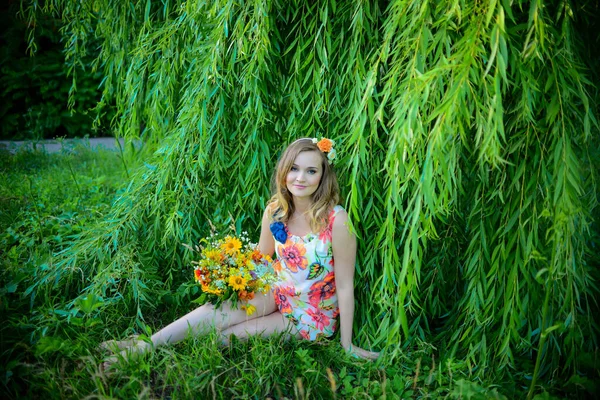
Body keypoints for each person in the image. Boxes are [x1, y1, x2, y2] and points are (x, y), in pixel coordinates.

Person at [102, 138, 379, 367]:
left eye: (311, 171)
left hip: (308, 314)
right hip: (276, 291)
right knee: (217, 313)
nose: (300, 178)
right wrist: (233, 281)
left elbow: (344, 285)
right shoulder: (276, 210)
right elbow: (262, 259)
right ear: (284, 171)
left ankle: (147, 345)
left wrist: (347, 344)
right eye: (294, 168)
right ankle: (143, 346)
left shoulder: (336, 220)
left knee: (226, 336)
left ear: (323, 175)